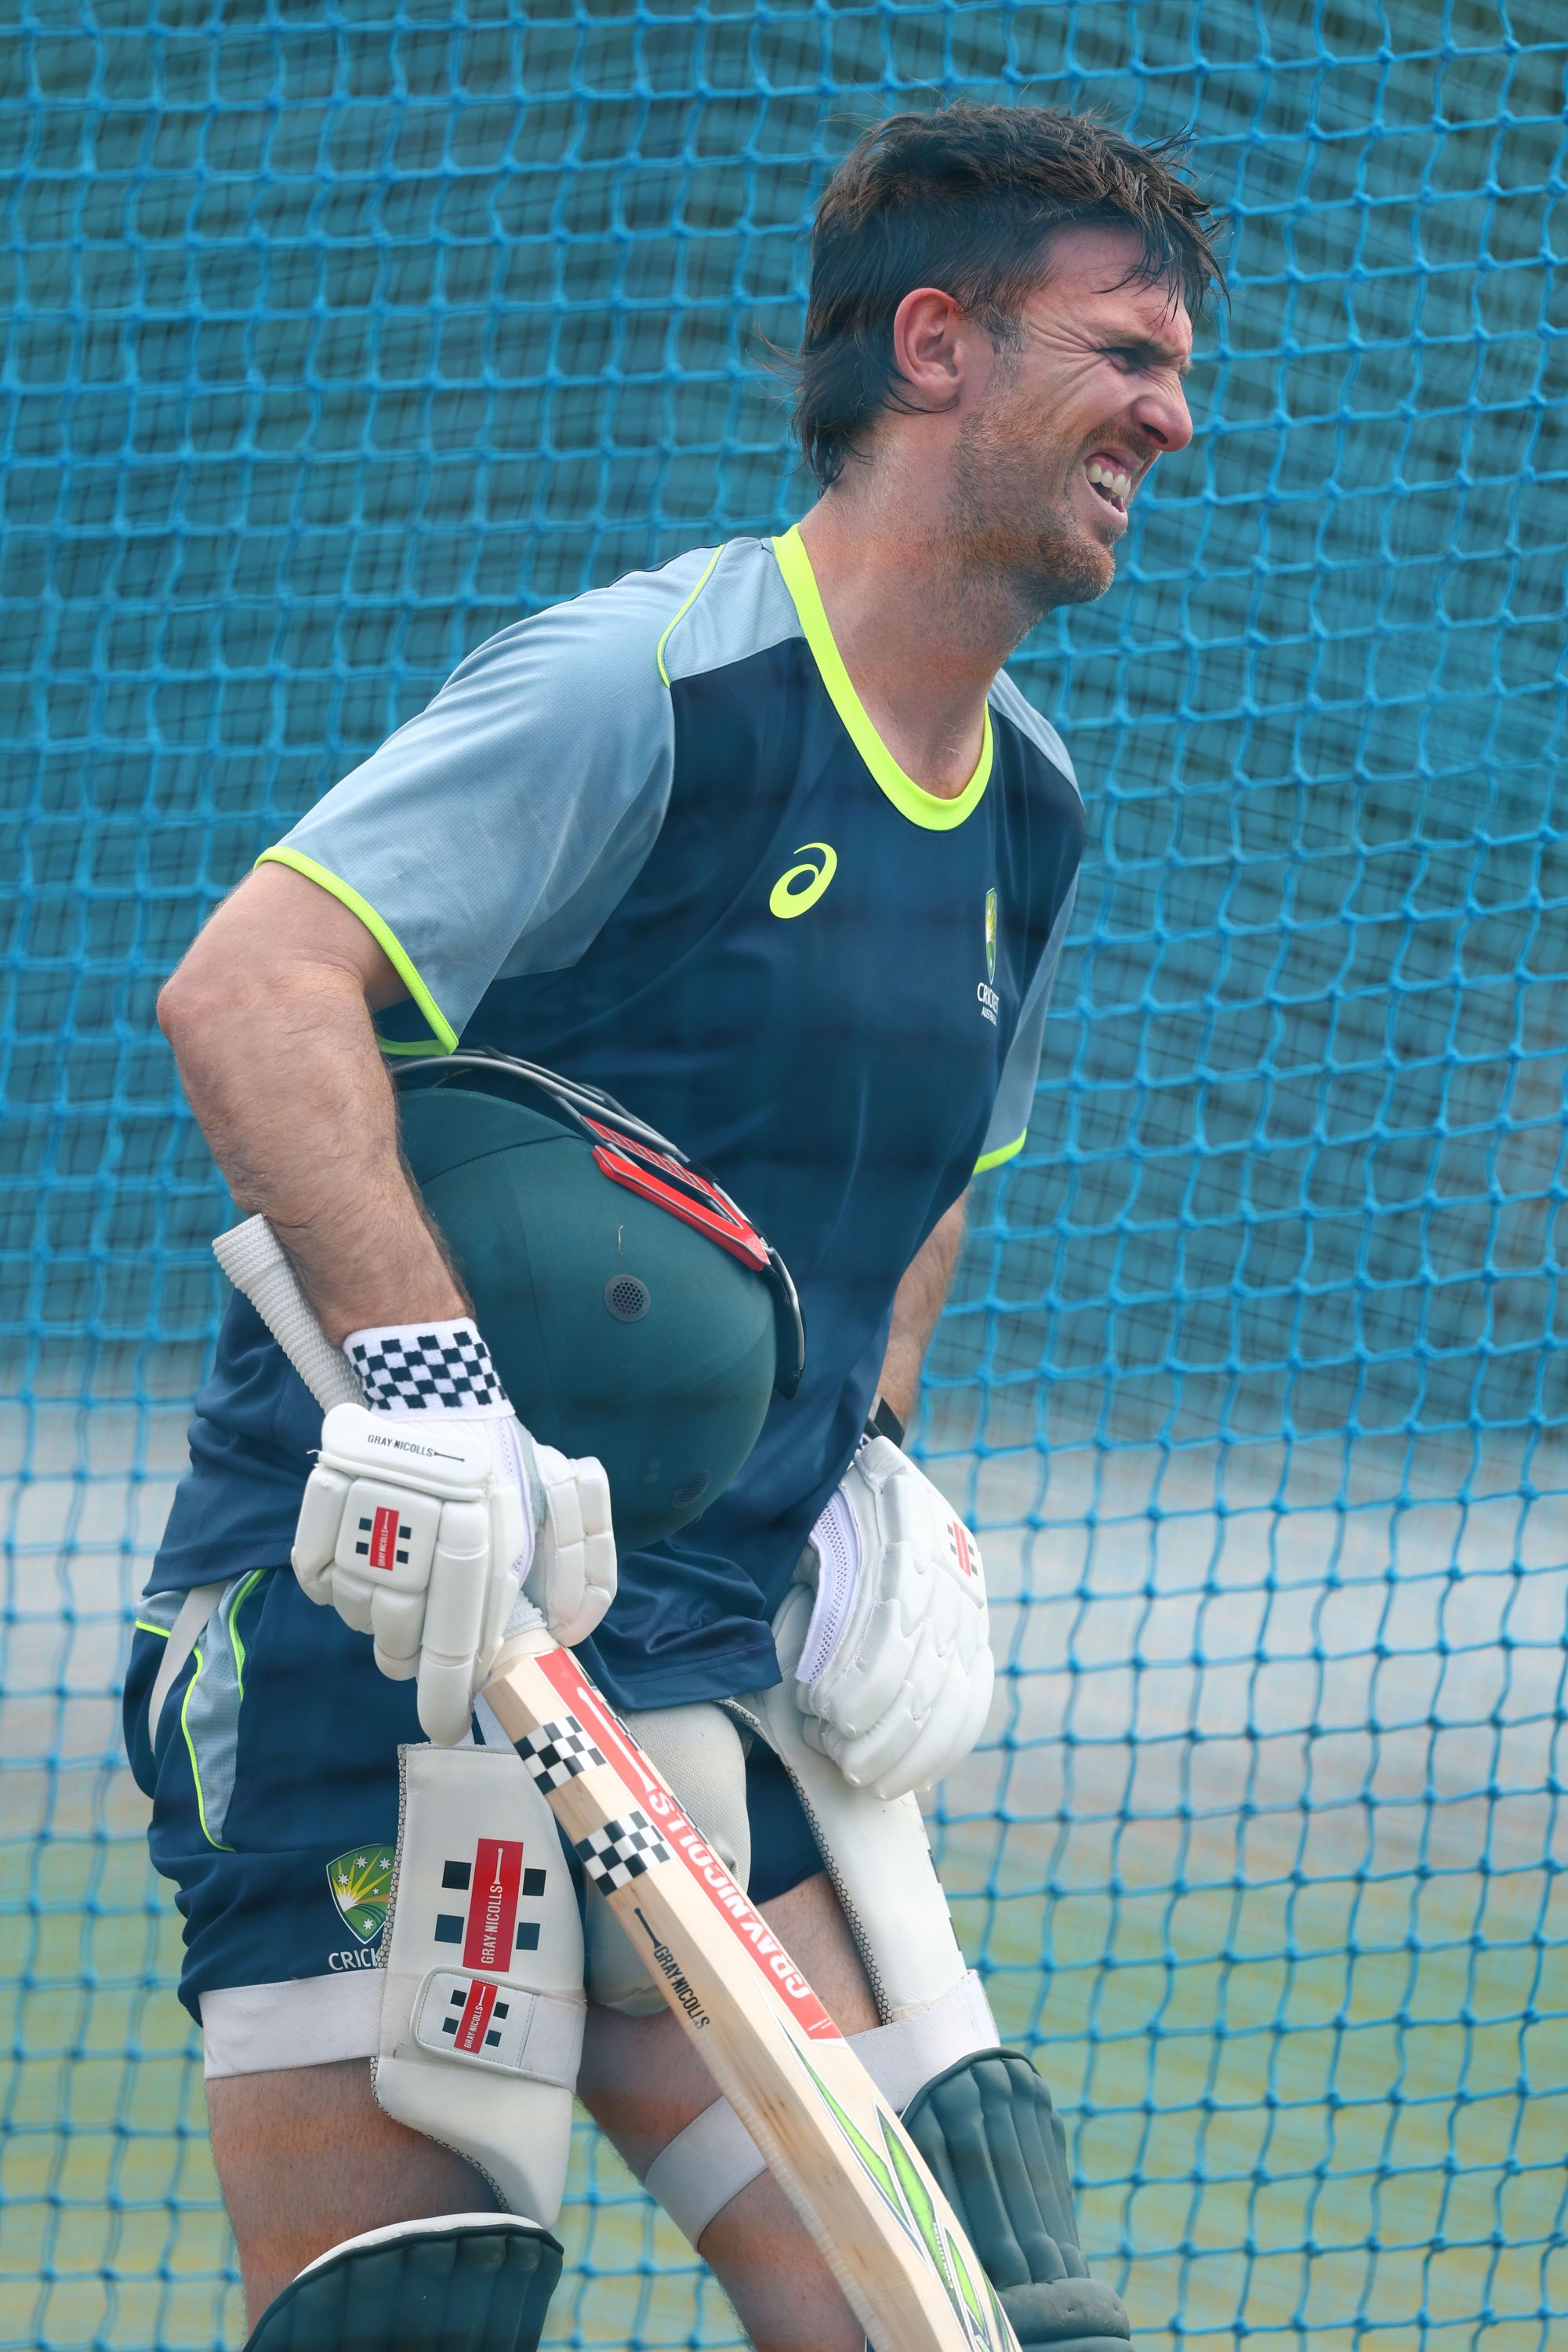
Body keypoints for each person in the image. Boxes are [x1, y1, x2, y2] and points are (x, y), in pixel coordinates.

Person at [131, 102, 1220, 2352]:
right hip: (399, 1649)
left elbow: (929, 1184)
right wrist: (432, 1390)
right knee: (416, 2318)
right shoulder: (645, 686)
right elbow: (251, 988)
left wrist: (877, 1464)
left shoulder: (1034, 806)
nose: (1171, 417)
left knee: (1008, 2323)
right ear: (938, 344)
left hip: (700, 1688)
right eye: (1124, 351)